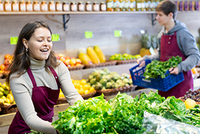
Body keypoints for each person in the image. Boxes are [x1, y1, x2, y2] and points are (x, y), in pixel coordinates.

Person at [6, 21, 83, 134]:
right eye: (40, 40)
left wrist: (86, 112)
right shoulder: (18, 77)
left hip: (48, 128)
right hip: (25, 130)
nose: (46, 44)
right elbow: (30, 118)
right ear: (26, 43)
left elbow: (73, 97)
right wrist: (58, 129)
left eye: (49, 40)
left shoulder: (58, 67)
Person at [137, 0, 200, 98]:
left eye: (160, 15)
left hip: (181, 86)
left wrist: (180, 67)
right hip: (164, 85)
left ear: (170, 15)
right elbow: (160, 55)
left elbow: (195, 56)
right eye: (157, 15)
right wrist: (146, 59)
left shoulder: (183, 34)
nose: (157, 17)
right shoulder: (161, 35)